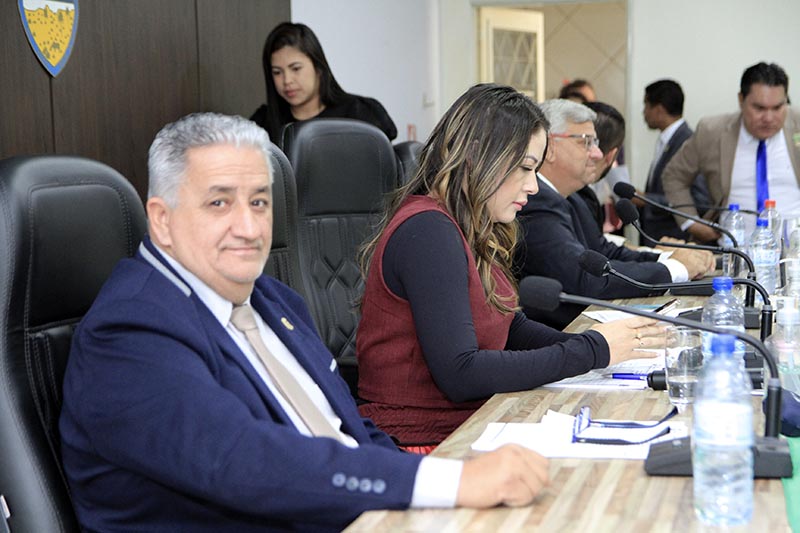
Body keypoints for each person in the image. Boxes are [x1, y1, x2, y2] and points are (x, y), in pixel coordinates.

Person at [59, 112, 555, 532]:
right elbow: (243, 461)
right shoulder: (130, 329)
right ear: (162, 219)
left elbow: (349, 428)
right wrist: (449, 481)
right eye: (219, 202)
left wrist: (422, 478)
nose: (249, 227)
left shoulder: (274, 301)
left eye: (259, 201)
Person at [356, 84, 663, 452]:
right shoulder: (428, 230)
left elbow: (509, 326)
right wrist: (591, 350)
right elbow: (461, 373)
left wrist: (601, 347)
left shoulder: (469, 223)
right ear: (478, 156)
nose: (533, 186)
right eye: (525, 168)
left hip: (471, 425)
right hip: (424, 445)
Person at [515, 99, 714, 329]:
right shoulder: (536, 202)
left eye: (596, 143)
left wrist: (669, 258)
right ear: (550, 148)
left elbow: (603, 253)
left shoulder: (574, 197)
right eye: (586, 142)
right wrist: (675, 269)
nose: (597, 153)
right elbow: (584, 279)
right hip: (560, 334)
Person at [662, 62, 800, 242]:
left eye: (777, 108)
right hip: (733, 248)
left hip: (794, 249)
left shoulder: (797, 125)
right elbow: (674, 175)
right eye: (759, 108)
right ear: (741, 100)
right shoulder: (712, 131)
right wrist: (691, 222)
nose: (768, 118)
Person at [250, 22, 397, 142]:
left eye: (296, 68)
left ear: (318, 68)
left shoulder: (361, 113)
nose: (287, 80)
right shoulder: (262, 124)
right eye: (277, 72)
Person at [640, 79, 710, 241]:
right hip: (657, 237)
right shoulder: (666, 139)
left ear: (659, 110)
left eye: (646, 106)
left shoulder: (688, 142)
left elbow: (698, 200)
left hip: (676, 239)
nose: (644, 113)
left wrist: (645, 199)